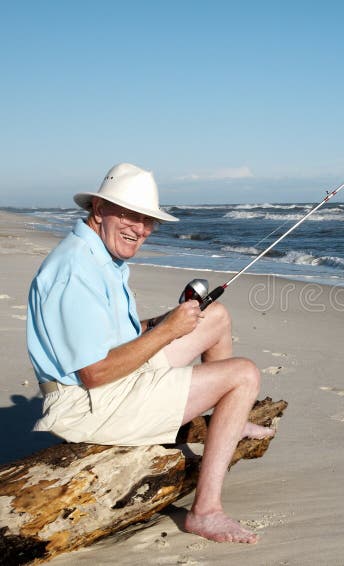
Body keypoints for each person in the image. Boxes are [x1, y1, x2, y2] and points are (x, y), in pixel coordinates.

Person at [26, 162, 272, 544]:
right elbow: (93, 373)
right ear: (98, 209)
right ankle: (205, 512)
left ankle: (229, 420)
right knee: (244, 375)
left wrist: (160, 322)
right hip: (90, 403)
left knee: (215, 316)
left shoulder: (100, 255)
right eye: (128, 214)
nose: (139, 229)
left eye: (146, 220)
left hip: (113, 382)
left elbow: (109, 336)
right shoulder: (75, 269)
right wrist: (167, 333)